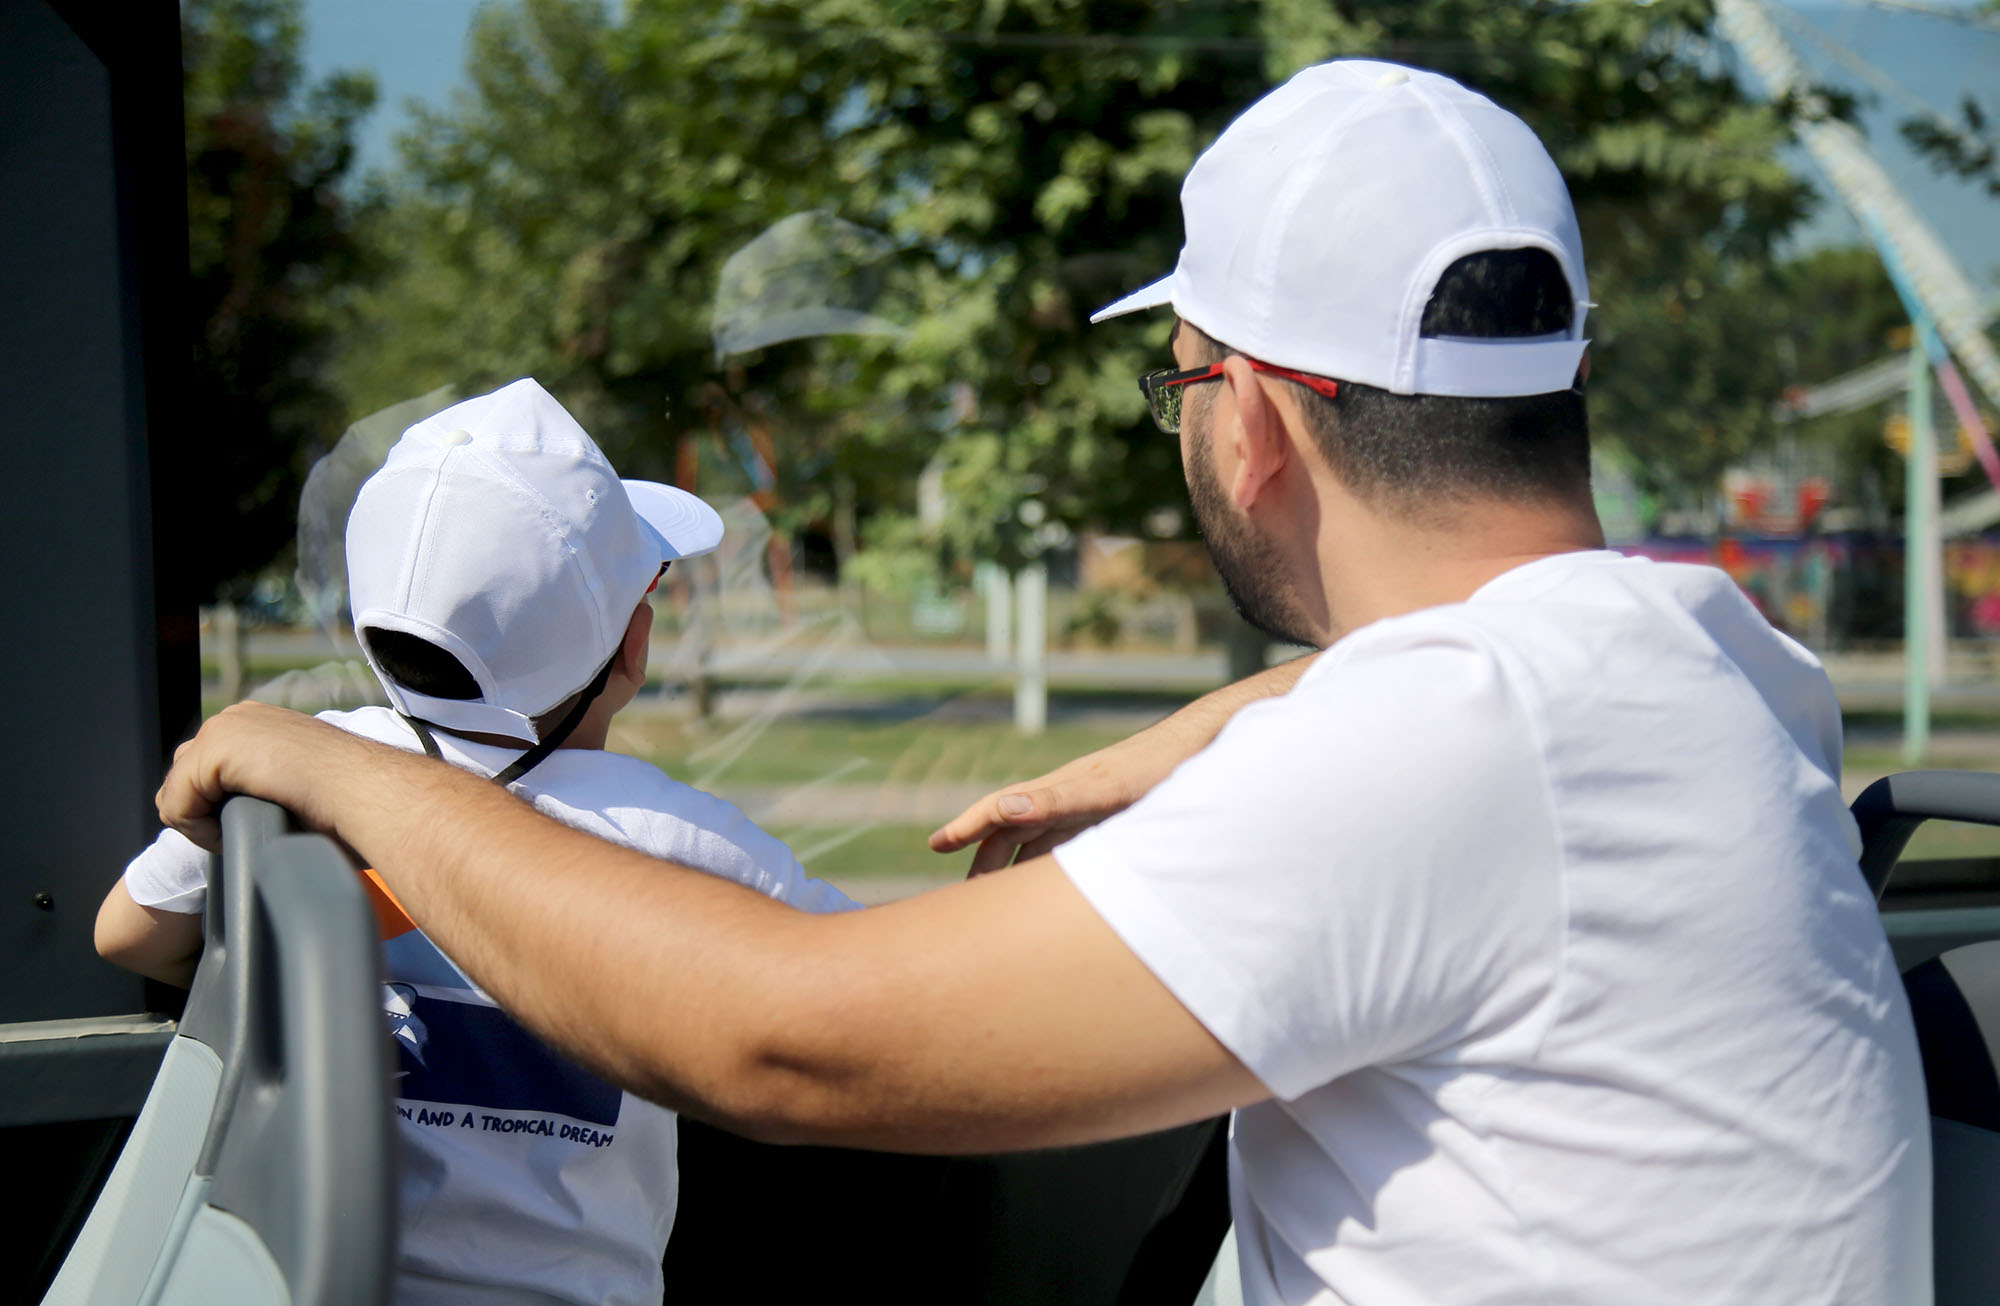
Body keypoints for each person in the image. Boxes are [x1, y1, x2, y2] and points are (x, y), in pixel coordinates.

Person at [156, 61, 1930, 1305]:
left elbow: (784, 1031)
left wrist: (344, 771)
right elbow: (1490, 692)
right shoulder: (1714, 662)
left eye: (1177, 384)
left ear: (1249, 417)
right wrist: (1198, 731)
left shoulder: (1447, 748)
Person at [100, 377, 858, 1306]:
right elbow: (859, 1001)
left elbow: (128, 934)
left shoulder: (296, 773)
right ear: (634, 649)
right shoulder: (682, 839)